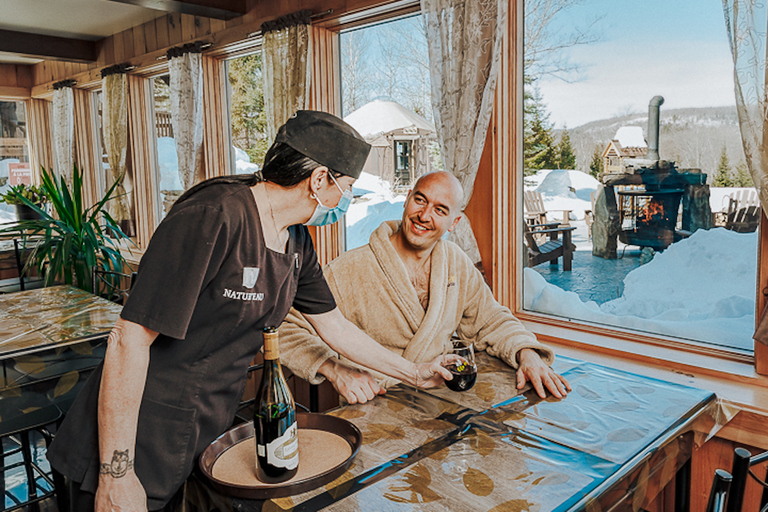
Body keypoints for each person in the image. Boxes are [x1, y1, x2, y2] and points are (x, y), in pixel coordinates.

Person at [46, 111, 459, 512]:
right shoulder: (214, 216)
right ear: (319, 180)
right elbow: (128, 340)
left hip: (202, 427)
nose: (346, 199)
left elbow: (334, 326)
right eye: (346, 186)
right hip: (135, 433)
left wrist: (415, 372)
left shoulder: (295, 240)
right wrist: (117, 475)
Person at [279, 171, 571, 404]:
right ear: (407, 200)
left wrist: (527, 354)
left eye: (440, 209)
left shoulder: (456, 263)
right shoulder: (351, 269)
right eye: (420, 200)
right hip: (378, 404)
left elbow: (491, 320)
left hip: (444, 400)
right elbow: (284, 327)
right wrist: (334, 369)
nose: (425, 215)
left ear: (453, 222)